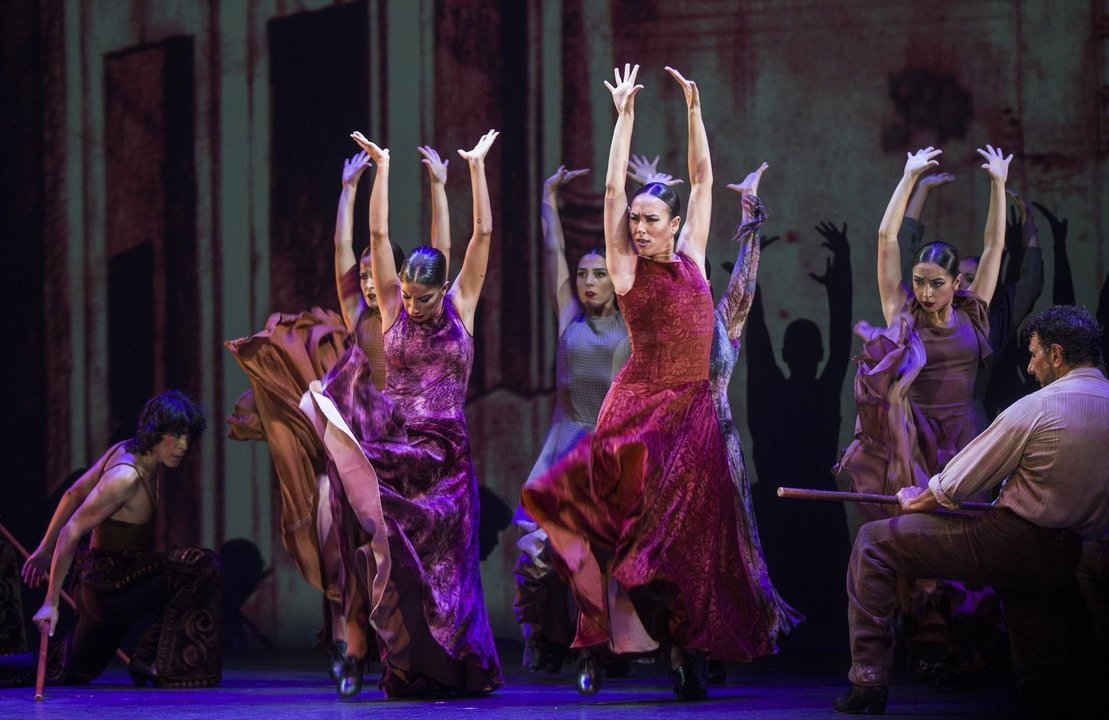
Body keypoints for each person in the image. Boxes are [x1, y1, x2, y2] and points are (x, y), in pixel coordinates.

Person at [522, 64, 775, 700]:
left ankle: (684, 655)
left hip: (692, 416)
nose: (638, 226)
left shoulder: (690, 255)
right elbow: (610, 196)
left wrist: (693, 108)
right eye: (635, 219)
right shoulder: (628, 273)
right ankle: (596, 643)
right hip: (639, 412)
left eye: (650, 219)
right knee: (623, 540)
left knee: (689, 543)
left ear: (673, 224)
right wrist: (624, 116)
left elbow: (702, 179)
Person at [224, 148, 443, 681]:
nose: (369, 281)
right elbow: (344, 248)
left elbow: (437, 252)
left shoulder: (403, 319)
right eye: (364, 274)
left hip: (401, 445)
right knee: (343, 545)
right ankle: (350, 647)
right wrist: (348, 192)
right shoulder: (358, 315)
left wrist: (436, 185)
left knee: (398, 553)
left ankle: (404, 648)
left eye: (377, 271)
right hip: (357, 445)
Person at [300, 129, 503, 699]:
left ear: (444, 287)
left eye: (423, 297)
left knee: (453, 572)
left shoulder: (461, 301)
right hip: (399, 451)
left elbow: (481, 232)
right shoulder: (390, 308)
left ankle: (455, 669)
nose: (413, 306)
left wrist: (474, 171)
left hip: (450, 459)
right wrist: (383, 170)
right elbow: (377, 235)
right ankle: (404, 664)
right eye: (408, 296)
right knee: (398, 567)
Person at [835, 304, 1109, 717]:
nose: (1031, 369)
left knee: (873, 542)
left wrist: (917, 497)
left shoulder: (1038, 408)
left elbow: (958, 482)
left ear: (1056, 354)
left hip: (1008, 541)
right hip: (1062, 554)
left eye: (1034, 355)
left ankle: (868, 681)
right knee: (1042, 670)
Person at [834, 144, 1010, 681]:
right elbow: (886, 240)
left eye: (937, 282)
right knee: (913, 534)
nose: (926, 290)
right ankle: (921, 636)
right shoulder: (902, 313)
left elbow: (993, 246)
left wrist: (999, 186)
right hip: (913, 441)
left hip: (963, 440)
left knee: (963, 543)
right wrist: (907, 177)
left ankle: (953, 640)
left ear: (957, 284)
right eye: (920, 281)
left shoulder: (972, 313)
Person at [512, 164, 628, 675]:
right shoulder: (568, 318)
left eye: (599, 273)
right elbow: (552, 255)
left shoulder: (631, 326)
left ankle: (613, 643)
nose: (587, 281)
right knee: (536, 550)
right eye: (583, 274)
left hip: (610, 451)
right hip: (563, 444)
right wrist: (546, 198)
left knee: (612, 554)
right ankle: (543, 638)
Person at [22, 390, 221, 687]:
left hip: (112, 587)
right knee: (201, 565)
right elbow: (72, 530)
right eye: (175, 435)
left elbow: (73, 493)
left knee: (70, 672)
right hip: (109, 588)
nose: (183, 446)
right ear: (155, 431)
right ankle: (149, 657)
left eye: (188, 437)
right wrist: (51, 602)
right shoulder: (126, 477)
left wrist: (43, 549)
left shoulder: (128, 450)